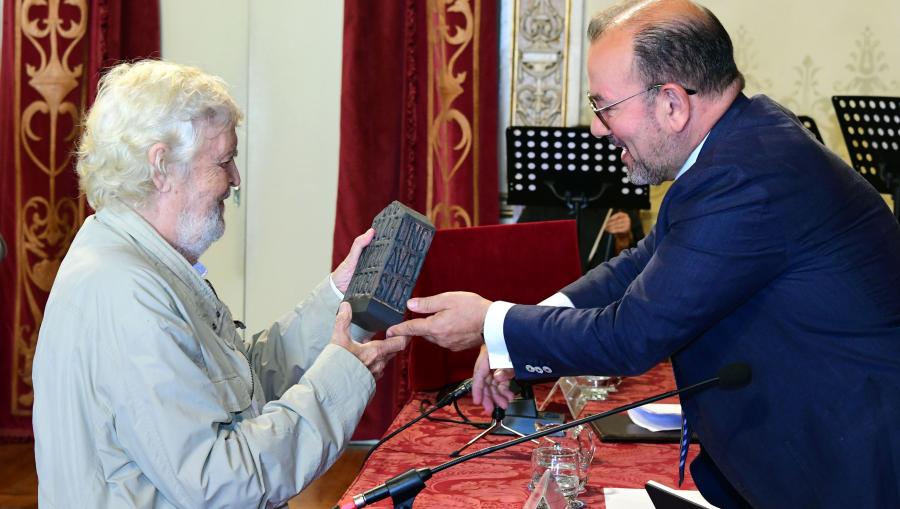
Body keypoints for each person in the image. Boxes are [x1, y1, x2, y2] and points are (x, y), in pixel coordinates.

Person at [386, 1, 900, 507]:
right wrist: (525, 326)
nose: (597, 129)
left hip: (846, 466)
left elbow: (631, 335)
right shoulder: (742, 144)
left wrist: (492, 324)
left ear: (672, 103)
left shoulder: (743, 177)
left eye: (604, 107)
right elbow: (640, 261)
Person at [32, 60, 408, 508]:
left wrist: (338, 296)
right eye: (224, 161)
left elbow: (242, 389)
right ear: (161, 166)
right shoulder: (126, 293)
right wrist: (344, 376)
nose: (235, 180)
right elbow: (222, 483)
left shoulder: (138, 259)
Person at [517, 205, 644, 271]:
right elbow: (517, 249)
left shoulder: (620, 206)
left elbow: (638, 267)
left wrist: (624, 241)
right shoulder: (539, 205)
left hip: (600, 303)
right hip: (548, 297)